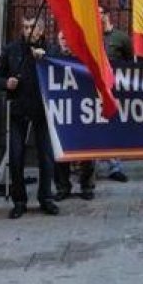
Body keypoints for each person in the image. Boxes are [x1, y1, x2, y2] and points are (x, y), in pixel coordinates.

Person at [0, 16, 58, 218]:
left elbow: (62, 74)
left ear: (41, 30)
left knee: (46, 157)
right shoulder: (11, 49)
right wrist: (7, 83)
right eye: (25, 26)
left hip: (43, 110)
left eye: (32, 27)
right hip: (18, 109)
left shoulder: (52, 49)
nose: (28, 30)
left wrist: (45, 60)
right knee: (15, 156)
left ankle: (46, 198)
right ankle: (19, 200)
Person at [52, 32, 95, 201]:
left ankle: (86, 186)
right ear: (58, 40)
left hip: (82, 110)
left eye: (69, 39)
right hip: (61, 111)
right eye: (63, 38)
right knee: (61, 150)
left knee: (87, 150)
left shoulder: (83, 57)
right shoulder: (52, 56)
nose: (66, 42)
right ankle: (63, 187)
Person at [99, 7, 130, 183]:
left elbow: (130, 63)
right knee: (94, 126)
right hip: (94, 89)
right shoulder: (91, 36)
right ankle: (90, 167)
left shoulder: (121, 38)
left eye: (99, 12)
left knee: (114, 126)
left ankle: (115, 167)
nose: (96, 16)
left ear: (107, 15)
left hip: (115, 90)